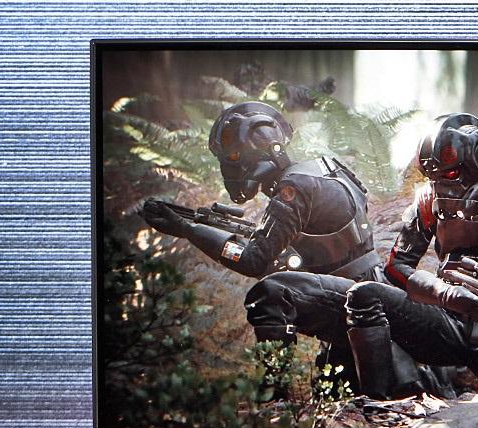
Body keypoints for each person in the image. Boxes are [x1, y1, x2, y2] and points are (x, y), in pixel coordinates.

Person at [140, 101, 386, 379]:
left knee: (269, 296)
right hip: (371, 292)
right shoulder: (328, 167)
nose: (232, 167)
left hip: (351, 302)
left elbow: (253, 261)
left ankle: (275, 389)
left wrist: (189, 230)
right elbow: (327, 242)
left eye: (234, 157)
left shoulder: (293, 188)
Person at [341, 113, 478, 398]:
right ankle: (376, 403)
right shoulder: (430, 199)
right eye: (434, 177)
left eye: (449, 175)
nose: (442, 185)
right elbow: (398, 266)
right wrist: (443, 293)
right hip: (447, 320)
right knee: (364, 295)